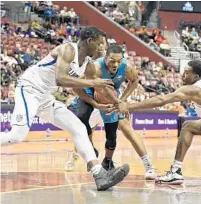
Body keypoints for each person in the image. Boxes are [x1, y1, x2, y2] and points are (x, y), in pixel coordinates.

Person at [0, 26, 130, 191]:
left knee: (79, 128)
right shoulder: (68, 49)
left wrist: (116, 102)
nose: (102, 48)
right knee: (17, 136)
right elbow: (61, 79)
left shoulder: (88, 65)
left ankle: (99, 174)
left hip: (46, 97)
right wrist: (92, 83)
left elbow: (93, 87)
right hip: (30, 89)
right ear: (89, 41)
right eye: (100, 44)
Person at [111, 60, 201, 184]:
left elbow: (162, 100)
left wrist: (128, 106)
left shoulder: (194, 89)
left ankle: (176, 172)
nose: (182, 75)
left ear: (196, 76)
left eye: (186, 73)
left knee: (188, 126)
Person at [66, 45, 157, 180]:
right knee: (83, 128)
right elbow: (99, 89)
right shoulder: (96, 67)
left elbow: (134, 81)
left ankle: (149, 166)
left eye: (119, 61)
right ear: (105, 57)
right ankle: (79, 155)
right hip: (92, 97)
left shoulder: (127, 67)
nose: (116, 64)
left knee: (127, 129)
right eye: (112, 61)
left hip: (113, 100)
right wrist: (115, 103)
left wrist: (123, 101)